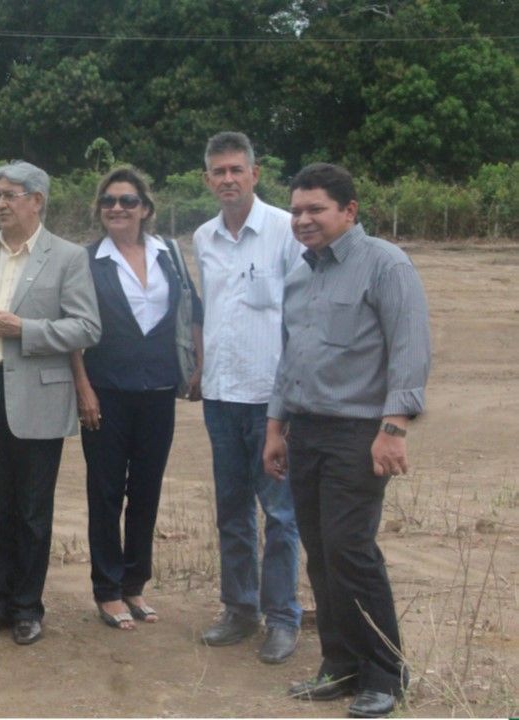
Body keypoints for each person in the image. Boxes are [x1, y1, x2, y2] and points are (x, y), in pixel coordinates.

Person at [263, 163, 431, 718]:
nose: (303, 220)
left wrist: (393, 429)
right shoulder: (300, 275)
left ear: (350, 211)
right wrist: (276, 428)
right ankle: (340, 664)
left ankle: (385, 673)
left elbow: (408, 348)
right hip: (305, 430)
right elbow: (291, 361)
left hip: (359, 433)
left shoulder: (384, 265)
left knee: (350, 551)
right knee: (320, 553)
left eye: (316, 209)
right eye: (296, 211)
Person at [0, 160, 101, 646]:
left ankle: (28, 607)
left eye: (10, 195)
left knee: (33, 509)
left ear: (37, 200)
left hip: (39, 397)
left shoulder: (68, 257)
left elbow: (88, 327)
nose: (0, 203)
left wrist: (23, 330)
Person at [70, 167, 202, 631]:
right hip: (105, 390)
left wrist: (197, 367)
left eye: (127, 201)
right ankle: (107, 590)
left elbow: (191, 310)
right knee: (106, 492)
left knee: (146, 490)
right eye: (108, 201)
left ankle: (134, 584)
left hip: (159, 389)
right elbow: (74, 330)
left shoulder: (170, 254)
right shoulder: (87, 260)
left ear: (146, 208)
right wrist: (82, 387)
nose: (117, 209)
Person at [193, 132, 304, 663]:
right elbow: (206, 313)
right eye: (219, 171)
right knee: (232, 512)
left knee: (280, 515)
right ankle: (240, 609)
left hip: (272, 401)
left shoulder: (287, 230)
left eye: (237, 169)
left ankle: (283, 617)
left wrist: (290, 400)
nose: (229, 179)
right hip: (220, 397)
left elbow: (304, 315)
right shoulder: (202, 238)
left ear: (256, 174)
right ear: (208, 180)